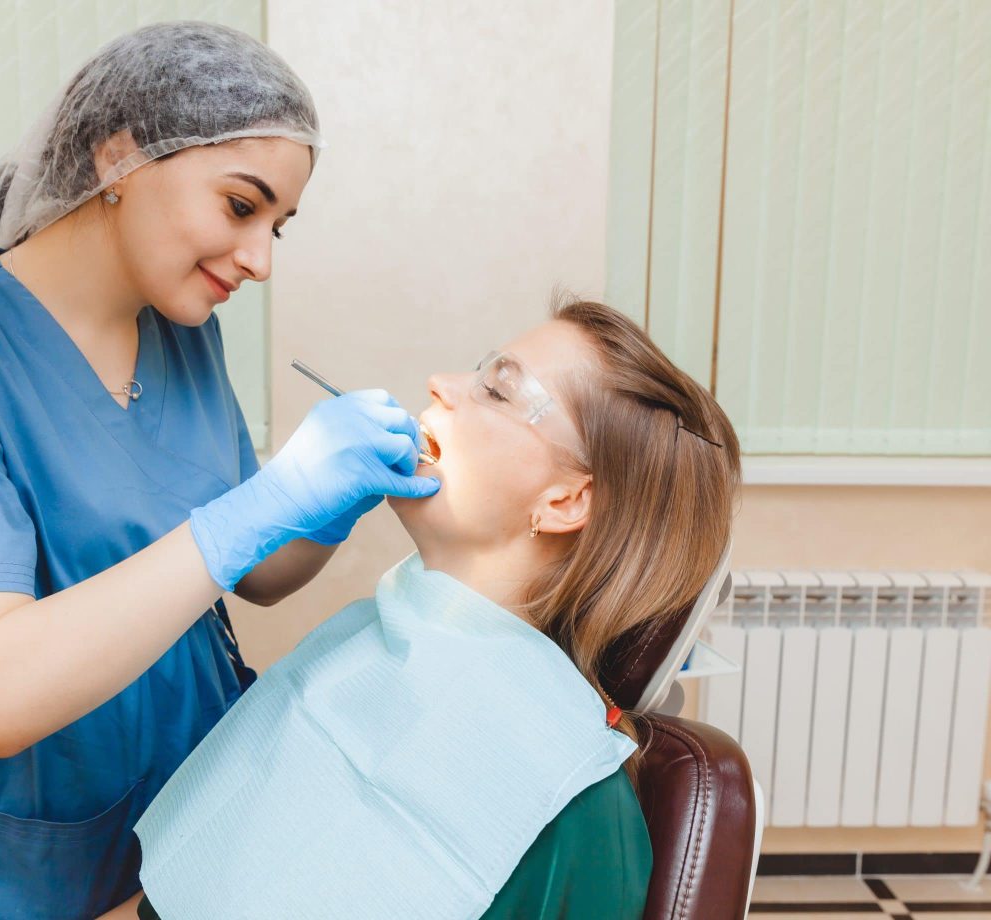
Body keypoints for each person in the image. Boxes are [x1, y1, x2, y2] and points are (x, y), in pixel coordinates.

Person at [0, 22, 438, 919]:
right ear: (119, 157)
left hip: (173, 831)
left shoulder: (184, 332)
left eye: (278, 225)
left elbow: (261, 575)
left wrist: (330, 500)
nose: (261, 260)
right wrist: (267, 498)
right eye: (242, 207)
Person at [113, 296, 741, 920]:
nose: (440, 385)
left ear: (564, 502)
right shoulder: (358, 646)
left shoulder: (574, 806)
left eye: (498, 391)